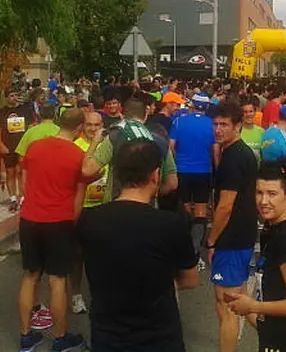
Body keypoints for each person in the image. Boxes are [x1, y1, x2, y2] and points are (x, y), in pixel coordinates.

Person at [77, 139, 199, 351]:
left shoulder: (90, 220)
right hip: (159, 338)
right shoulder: (171, 224)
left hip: (107, 337)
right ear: (155, 175)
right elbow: (189, 279)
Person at [225, 162, 286, 352]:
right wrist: (244, 301)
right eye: (259, 192)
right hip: (275, 337)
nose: (263, 201)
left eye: (272, 193)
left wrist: (253, 306)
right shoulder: (273, 227)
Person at [17, 108, 87, 352]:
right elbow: (79, 198)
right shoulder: (78, 155)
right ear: (79, 128)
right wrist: (71, 224)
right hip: (59, 221)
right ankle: (60, 338)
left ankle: (26, 337)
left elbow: (24, 182)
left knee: (30, 276)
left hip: (30, 218)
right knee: (58, 280)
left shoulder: (35, 147)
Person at [206, 102, 259, 352]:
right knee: (240, 299)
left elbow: (225, 206)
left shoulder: (233, 157)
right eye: (216, 124)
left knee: (225, 305)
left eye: (224, 124)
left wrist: (212, 240)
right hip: (242, 235)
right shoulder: (238, 152)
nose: (218, 129)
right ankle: (280, 339)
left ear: (237, 125)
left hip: (231, 239)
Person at [82, 98, 177, 204]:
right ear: (145, 115)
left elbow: (87, 170)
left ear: (123, 115)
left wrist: (94, 142)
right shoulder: (161, 140)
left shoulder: (114, 137)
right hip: (147, 206)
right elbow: (172, 184)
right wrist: (153, 193)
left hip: (115, 204)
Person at [169, 93, 218, 270]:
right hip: (203, 171)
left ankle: (181, 249)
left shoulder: (178, 122)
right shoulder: (212, 124)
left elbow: (171, 147)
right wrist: (217, 170)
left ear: (192, 105)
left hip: (182, 170)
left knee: (184, 209)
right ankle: (195, 253)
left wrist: (176, 163)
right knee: (201, 211)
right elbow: (215, 151)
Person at [70, 111, 109, 315]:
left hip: (103, 207)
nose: (93, 129)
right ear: (82, 126)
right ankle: (76, 295)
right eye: (89, 125)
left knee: (101, 255)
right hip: (82, 207)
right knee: (78, 255)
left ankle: (101, 294)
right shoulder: (75, 147)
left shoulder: (108, 145)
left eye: (97, 125)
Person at [0, 88, 35, 210]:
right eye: (11, 95)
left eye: (16, 95)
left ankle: (22, 198)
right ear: (6, 98)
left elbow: (32, 126)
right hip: (8, 147)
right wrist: (0, 144)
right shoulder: (1, 112)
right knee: (10, 173)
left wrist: (29, 143)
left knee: (21, 172)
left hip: (22, 147)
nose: (14, 98)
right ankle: (12, 199)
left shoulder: (25, 110)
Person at [240, 97, 265, 161]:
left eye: (251, 111)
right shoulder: (236, 132)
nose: (248, 114)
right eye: (245, 112)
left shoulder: (262, 132)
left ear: (255, 112)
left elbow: (263, 154)